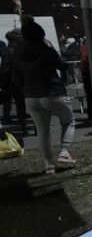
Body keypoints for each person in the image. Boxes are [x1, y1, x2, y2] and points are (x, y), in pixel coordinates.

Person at [12, 16, 76, 174]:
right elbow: (62, 65)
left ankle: (49, 165)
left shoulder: (18, 53)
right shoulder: (44, 48)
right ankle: (64, 151)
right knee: (68, 121)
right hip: (52, 92)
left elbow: (16, 77)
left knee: (42, 130)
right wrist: (52, 49)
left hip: (31, 96)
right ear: (40, 34)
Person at [1, 30, 27, 134]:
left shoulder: (7, 51)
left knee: (20, 106)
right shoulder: (23, 49)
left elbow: (5, 69)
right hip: (25, 80)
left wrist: (3, 84)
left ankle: (25, 128)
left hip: (15, 82)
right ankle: (34, 127)